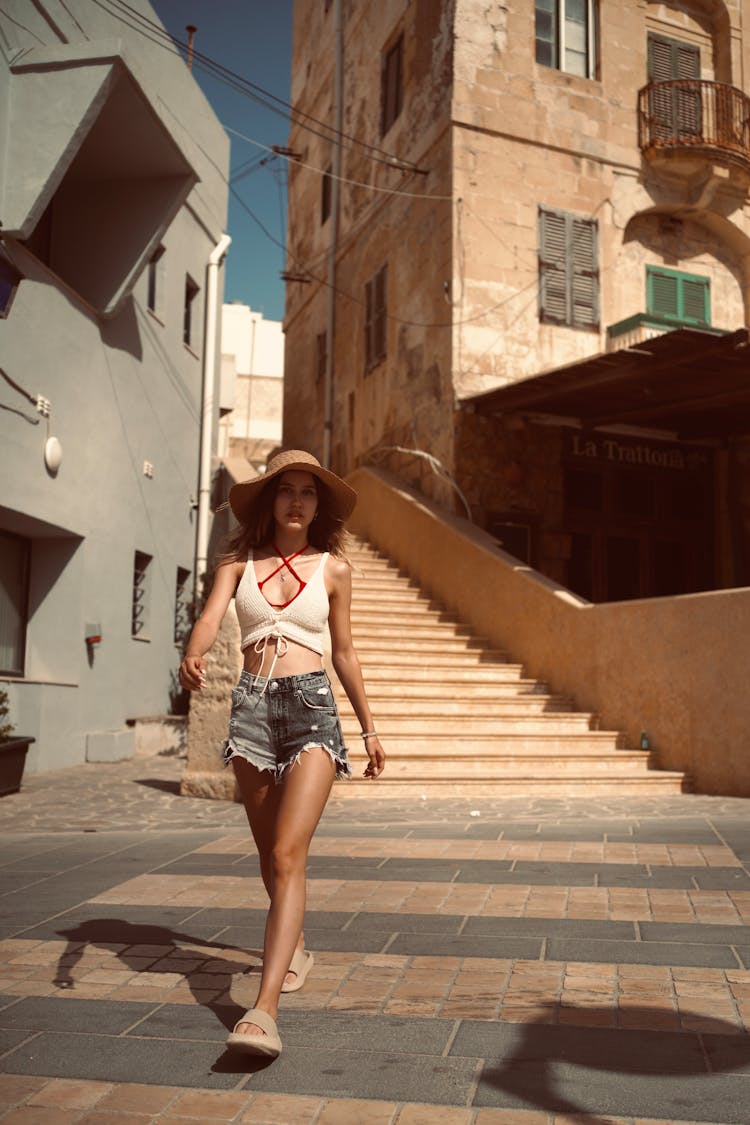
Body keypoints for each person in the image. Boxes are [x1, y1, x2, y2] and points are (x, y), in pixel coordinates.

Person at [178, 449, 385, 1058]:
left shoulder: (335, 569)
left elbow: (344, 652)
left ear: (319, 505)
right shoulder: (236, 565)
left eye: (309, 492)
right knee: (270, 853)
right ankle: (295, 944)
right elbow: (211, 619)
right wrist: (193, 653)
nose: (297, 500)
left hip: (313, 708)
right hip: (251, 709)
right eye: (286, 490)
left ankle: (262, 1011)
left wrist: (370, 729)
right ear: (269, 500)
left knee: (290, 852)